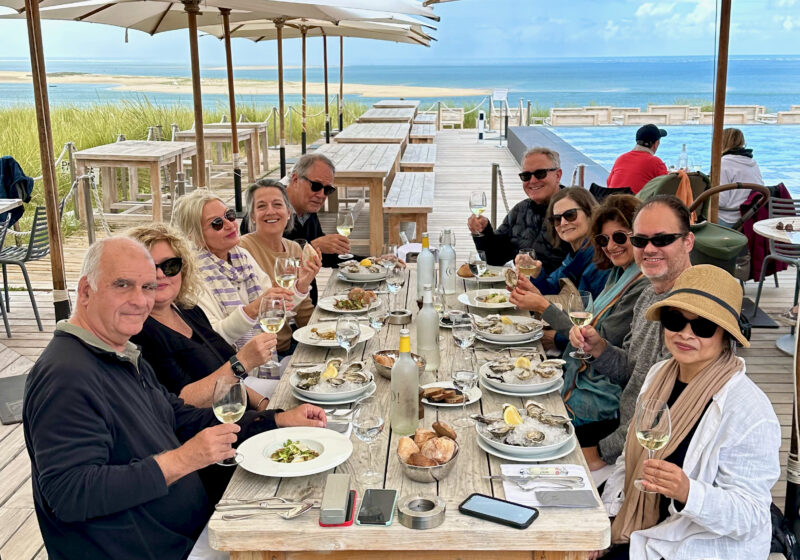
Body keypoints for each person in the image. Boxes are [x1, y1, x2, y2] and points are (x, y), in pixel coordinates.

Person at [23, 237, 327, 559]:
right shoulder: (66, 374)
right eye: (123, 285)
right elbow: (70, 493)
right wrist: (183, 459)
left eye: (147, 287)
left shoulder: (121, 354)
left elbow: (180, 417)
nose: (140, 301)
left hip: (198, 530)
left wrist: (277, 419)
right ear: (86, 291)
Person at [593, 265, 780, 560]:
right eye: (675, 320)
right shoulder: (659, 375)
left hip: (696, 546)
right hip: (642, 524)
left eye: (703, 326)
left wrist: (688, 492)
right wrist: (609, 520)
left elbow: (751, 516)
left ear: (726, 336)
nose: (685, 334)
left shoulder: (749, 410)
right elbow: (627, 463)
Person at [570, 195, 694, 471]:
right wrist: (599, 348)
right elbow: (633, 371)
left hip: (651, 457)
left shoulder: (692, 316)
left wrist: (601, 453)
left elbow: (671, 413)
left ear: (688, 241)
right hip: (623, 430)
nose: (649, 249)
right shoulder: (649, 293)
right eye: (640, 240)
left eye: (661, 239)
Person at [171, 189, 320, 397]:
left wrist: (301, 285)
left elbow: (273, 308)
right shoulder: (193, 276)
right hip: (231, 381)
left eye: (229, 215)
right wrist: (252, 310)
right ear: (195, 236)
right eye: (216, 223)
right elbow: (213, 337)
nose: (230, 224)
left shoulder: (240, 256)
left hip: (265, 364)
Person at [554, 195, 648, 450]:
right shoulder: (617, 272)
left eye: (620, 237)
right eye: (603, 239)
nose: (611, 246)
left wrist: (544, 311)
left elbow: (599, 336)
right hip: (578, 377)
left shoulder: (642, 286)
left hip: (600, 401)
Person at [509, 187, 610, 350]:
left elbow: (599, 327)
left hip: (581, 354)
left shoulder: (600, 262)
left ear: (591, 214)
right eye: (556, 219)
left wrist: (557, 339)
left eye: (570, 215)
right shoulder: (574, 255)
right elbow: (551, 289)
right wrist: (536, 273)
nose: (563, 223)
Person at [239, 179, 317, 355]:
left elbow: (303, 308)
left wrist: (320, 336)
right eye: (261, 206)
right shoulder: (242, 250)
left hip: (288, 345)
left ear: (288, 212)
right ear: (252, 216)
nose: (270, 211)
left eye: (277, 204)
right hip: (264, 356)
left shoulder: (294, 248)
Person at [468, 146, 567, 272]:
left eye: (540, 174)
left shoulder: (573, 214)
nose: (533, 181)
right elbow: (495, 258)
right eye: (526, 176)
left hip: (558, 289)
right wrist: (483, 232)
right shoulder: (520, 210)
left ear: (558, 175)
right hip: (521, 286)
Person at [283, 153, 355, 304]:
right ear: (295, 179)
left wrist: (372, 261)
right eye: (316, 186)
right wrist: (311, 247)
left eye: (328, 190)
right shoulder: (271, 213)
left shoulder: (307, 208)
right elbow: (270, 264)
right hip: (282, 306)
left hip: (307, 303)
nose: (321, 195)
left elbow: (326, 256)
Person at [717, 127, 765, 228]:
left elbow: (721, 201)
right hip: (750, 216)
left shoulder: (724, 163)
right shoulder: (752, 162)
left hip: (729, 220)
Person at [606, 124, 669, 194]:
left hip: (612, 202)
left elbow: (609, 182)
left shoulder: (621, 158)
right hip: (635, 203)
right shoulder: (655, 162)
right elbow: (667, 188)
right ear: (656, 144)